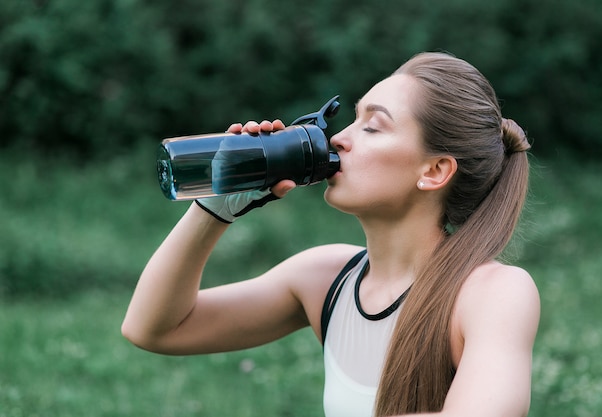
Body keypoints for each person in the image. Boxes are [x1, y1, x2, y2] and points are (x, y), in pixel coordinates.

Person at [122, 51, 540, 417]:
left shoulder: (492, 292)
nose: (338, 139)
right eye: (353, 121)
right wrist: (213, 208)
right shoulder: (326, 279)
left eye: (372, 127)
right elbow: (155, 328)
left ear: (433, 172)